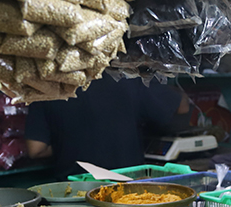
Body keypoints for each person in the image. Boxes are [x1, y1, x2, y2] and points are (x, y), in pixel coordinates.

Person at [25, 75, 190, 179]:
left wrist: (70, 140)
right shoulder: (128, 77)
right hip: (125, 190)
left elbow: (36, 149)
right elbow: (182, 106)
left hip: (75, 192)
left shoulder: (47, 85)